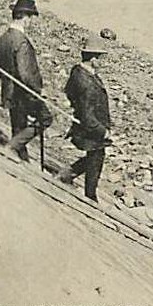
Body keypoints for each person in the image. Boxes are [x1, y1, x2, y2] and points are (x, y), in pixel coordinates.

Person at [0, 0, 52, 162]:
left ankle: (22, 157)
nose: (31, 22)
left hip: (9, 90)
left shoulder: (3, 39)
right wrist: (38, 92)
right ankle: (12, 147)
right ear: (25, 17)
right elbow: (25, 73)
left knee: (18, 126)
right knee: (46, 118)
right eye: (31, 17)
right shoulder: (21, 42)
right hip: (24, 92)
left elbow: (1, 67)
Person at [57, 36, 112, 202]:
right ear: (94, 58)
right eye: (101, 58)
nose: (103, 62)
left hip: (86, 124)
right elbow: (87, 114)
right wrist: (102, 131)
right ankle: (90, 196)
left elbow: (69, 93)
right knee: (96, 158)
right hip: (90, 127)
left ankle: (67, 174)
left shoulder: (79, 72)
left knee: (95, 157)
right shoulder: (86, 83)